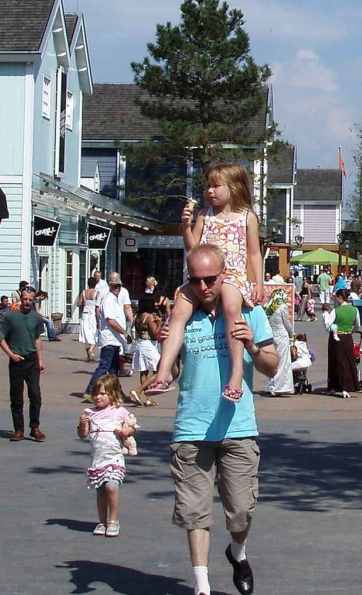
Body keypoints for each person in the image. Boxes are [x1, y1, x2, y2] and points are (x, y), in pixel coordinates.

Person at [149, 243, 279, 595]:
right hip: (192, 425)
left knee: (240, 511)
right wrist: (163, 357)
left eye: (211, 279)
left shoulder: (248, 312)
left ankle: (237, 551)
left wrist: (252, 345)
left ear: (224, 275)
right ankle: (202, 585)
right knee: (194, 511)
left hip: (238, 426)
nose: (204, 287)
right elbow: (173, 372)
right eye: (196, 280)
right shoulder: (183, 314)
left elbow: (272, 366)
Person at [181, 163, 264, 402]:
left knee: (230, 306)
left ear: (233, 187)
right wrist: (186, 226)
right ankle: (165, 368)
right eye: (208, 186)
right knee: (179, 309)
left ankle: (236, 370)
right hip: (204, 275)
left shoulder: (247, 217)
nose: (210, 191)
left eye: (216, 185)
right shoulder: (204, 215)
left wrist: (259, 282)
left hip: (233, 275)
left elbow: (254, 253)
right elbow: (192, 247)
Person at [79, 372, 136, 537]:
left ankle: (113, 520)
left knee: (111, 486)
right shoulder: (91, 413)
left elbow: (132, 426)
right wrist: (82, 425)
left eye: (103, 394)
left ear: (112, 394)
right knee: (101, 491)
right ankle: (102, 521)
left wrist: (125, 430)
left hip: (114, 457)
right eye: (96, 394)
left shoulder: (119, 411)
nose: (98, 397)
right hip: (98, 458)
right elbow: (83, 434)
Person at [0, 286, 46, 442]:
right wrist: (11, 354)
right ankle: (18, 429)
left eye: (30, 300)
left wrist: (40, 360)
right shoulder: (11, 317)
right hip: (17, 360)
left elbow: (38, 339)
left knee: (35, 395)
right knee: (17, 397)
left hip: (31, 359)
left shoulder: (36, 318)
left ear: (34, 301)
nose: (27, 302)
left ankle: (35, 427)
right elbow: (0, 337)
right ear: (21, 299)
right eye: (25, 299)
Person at [85, 273, 130, 401]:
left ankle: (117, 392)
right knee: (104, 366)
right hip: (109, 339)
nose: (117, 288)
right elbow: (110, 320)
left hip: (115, 339)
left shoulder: (115, 298)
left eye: (119, 286)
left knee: (114, 369)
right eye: (114, 286)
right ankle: (90, 390)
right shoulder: (108, 299)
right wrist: (125, 333)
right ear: (110, 286)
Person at [326, 289, 361, 398]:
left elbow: (328, 325)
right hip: (348, 337)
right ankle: (347, 387)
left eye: (336, 297)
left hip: (336, 338)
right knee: (348, 361)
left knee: (334, 361)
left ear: (340, 297)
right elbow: (357, 325)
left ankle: (334, 386)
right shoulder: (355, 310)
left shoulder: (335, 311)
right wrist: (352, 331)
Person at [131, 292, 163, 407]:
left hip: (139, 343)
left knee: (143, 371)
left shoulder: (137, 316)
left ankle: (148, 398)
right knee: (159, 370)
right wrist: (159, 323)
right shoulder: (149, 317)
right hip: (149, 345)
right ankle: (138, 390)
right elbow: (156, 333)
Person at [263, 288, 295, 397]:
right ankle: (277, 387)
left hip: (271, 335)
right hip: (282, 335)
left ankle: (270, 385)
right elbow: (286, 323)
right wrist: (292, 333)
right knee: (282, 362)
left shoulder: (268, 307)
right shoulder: (282, 307)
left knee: (272, 361)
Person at [78, 276, 102, 360]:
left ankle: (88, 356)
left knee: (85, 333)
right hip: (92, 314)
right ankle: (91, 350)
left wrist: (84, 302)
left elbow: (78, 304)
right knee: (94, 333)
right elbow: (97, 307)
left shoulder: (84, 292)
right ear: (95, 284)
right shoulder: (97, 293)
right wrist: (98, 318)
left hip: (85, 314)